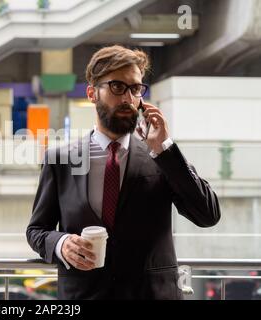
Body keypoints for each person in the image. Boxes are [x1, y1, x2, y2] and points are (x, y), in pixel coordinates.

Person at [26, 45, 221, 300]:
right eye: (117, 87)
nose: (128, 98)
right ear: (92, 93)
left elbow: (207, 214)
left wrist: (165, 148)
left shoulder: (161, 157)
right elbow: (37, 230)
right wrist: (61, 244)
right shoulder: (60, 159)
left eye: (136, 88)